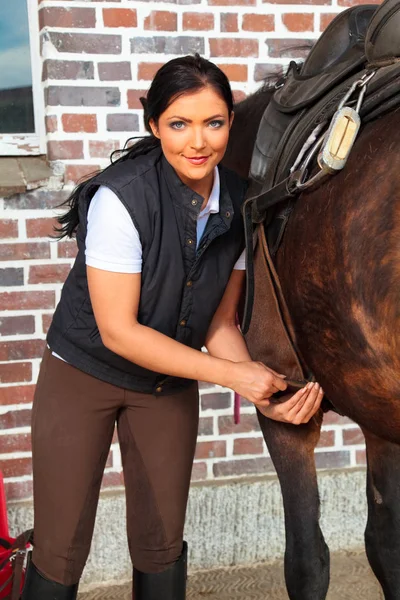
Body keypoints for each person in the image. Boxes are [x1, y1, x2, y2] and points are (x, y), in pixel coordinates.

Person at [22, 54, 324, 600]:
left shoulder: (237, 202)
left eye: (214, 122)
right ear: (154, 125)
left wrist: (264, 390)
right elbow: (119, 332)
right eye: (179, 124)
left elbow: (219, 323)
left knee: (161, 545)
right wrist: (236, 379)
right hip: (84, 375)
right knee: (61, 549)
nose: (197, 142)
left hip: (164, 385)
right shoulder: (120, 197)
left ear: (230, 123)